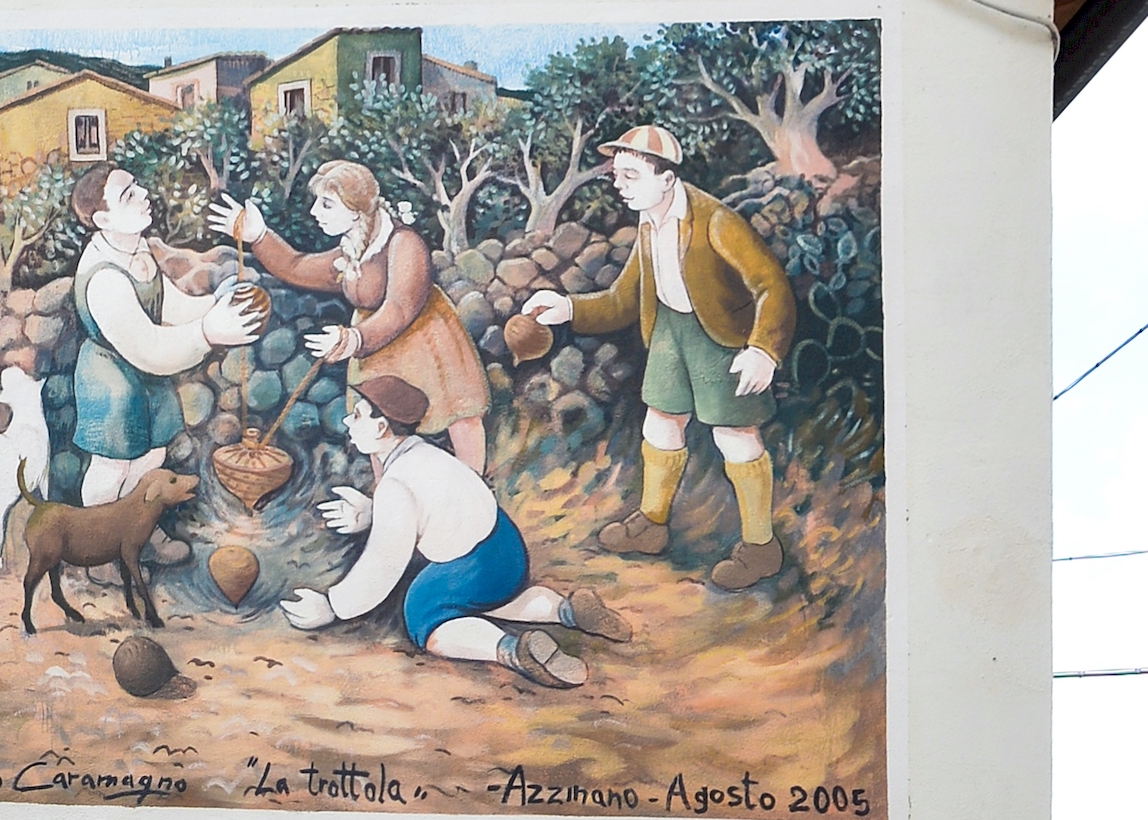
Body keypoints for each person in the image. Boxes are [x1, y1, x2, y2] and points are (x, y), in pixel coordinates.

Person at [523, 123, 796, 590]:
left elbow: (771, 285)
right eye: (617, 176)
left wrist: (762, 349)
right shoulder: (648, 223)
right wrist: (567, 308)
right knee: (661, 425)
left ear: (667, 179)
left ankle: (760, 547)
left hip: (722, 335)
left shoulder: (717, 222)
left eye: (630, 176)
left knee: (735, 436)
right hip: (670, 330)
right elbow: (622, 300)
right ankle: (651, 524)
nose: (618, 186)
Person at [280, 375, 627, 688]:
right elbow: (431, 507)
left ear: (382, 427)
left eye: (357, 416)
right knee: (490, 601)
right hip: (507, 549)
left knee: (425, 615)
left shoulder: (396, 483)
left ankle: (513, 651)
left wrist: (332, 606)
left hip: (473, 567)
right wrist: (373, 514)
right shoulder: (426, 455)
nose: (347, 421)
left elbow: (382, 567)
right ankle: (566, 611)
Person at [219, 160, 491, 472]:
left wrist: (353, 338)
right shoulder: (350, 251)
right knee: (376, 425)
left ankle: (475, 491)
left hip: (428, 345)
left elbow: (400, 308)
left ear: (356, 209)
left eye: (326, 204)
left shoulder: (404, 243)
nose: (314, 212)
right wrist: (259, 235)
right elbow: (297, 266)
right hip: (375, 350)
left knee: (459, 415)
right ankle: (390, 493)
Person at [70, 163, 262, 543]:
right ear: (103, 218)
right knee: (112, 468)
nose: (143, 194)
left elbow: (166, 305)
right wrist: (209, 332)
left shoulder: (135, 248)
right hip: (112, 382)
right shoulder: (104, 277)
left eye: (137, 185)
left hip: (144, 377)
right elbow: (151, 349)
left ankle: (140, 534)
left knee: (152, 458)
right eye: (128, 194)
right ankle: (98, 543)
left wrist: (212, 304)